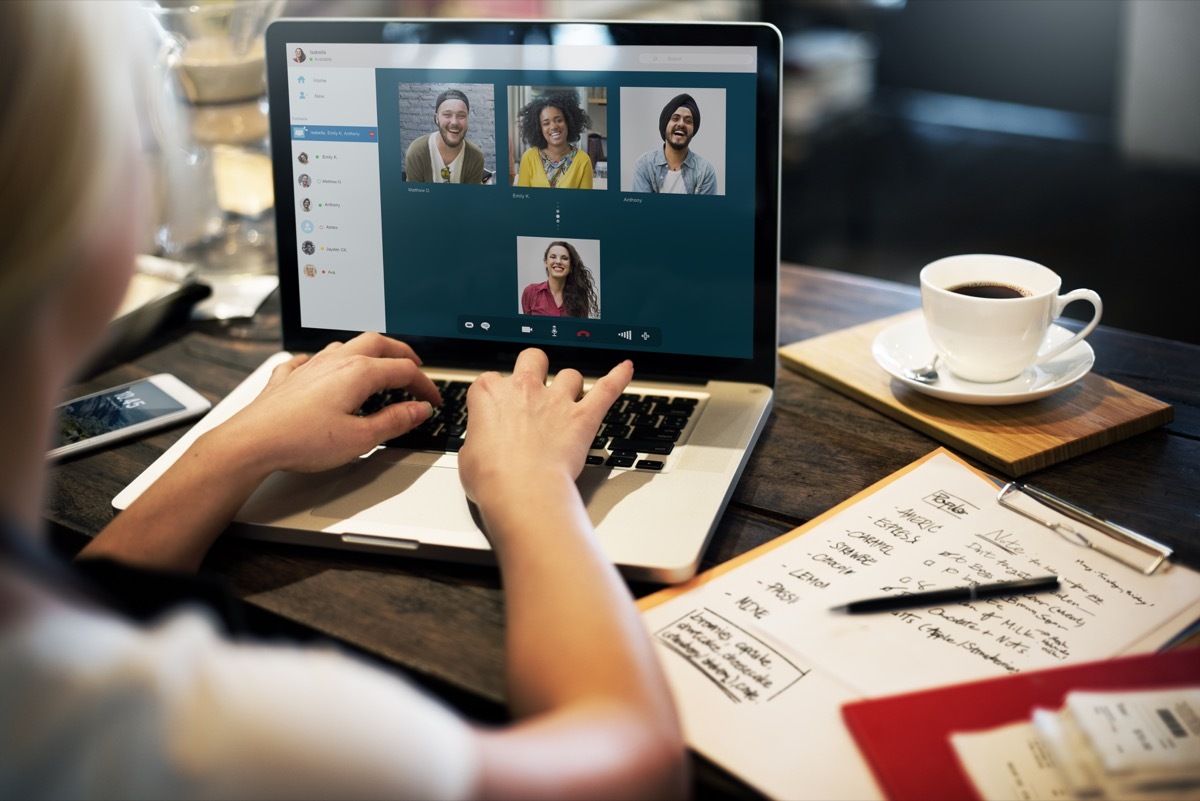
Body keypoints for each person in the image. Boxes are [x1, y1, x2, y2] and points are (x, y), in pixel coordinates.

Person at [0, 3, 685, 799]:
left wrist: (232, 447)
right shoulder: (218, 733)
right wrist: (531, 488)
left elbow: (88, 607)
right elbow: (635, 764)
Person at [632, 93, 718, 195]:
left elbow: (705, 211)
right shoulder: (644, 164)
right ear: (665, 125)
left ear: (693, 130)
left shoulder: (705, 171)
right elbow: (641, 210)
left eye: (688, 121)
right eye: (675, 118)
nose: (681, 124)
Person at [515, 91, 593, 189]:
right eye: (546, 123)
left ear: (568, 122)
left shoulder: (583, 160)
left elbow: (585, 203)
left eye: (559, 120)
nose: (553, 126)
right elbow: (523, 200)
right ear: (539, 128)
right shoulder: (529, 157)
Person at [405, 88, 485, 184]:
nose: (454, 122)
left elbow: (472, 198)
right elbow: (414, 197)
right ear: (436, 118)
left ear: (468, 120)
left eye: (461, 116)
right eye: (447, 115)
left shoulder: (475, 157)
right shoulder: (417, 152)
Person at [521, 241, 600, 318]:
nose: (558, 261)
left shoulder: (580, 295)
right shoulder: (530, 292)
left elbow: (581, 329)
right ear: (545, 262)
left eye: (564, 258)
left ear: (571, 266)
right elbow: (528, 327)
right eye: (553, 257)